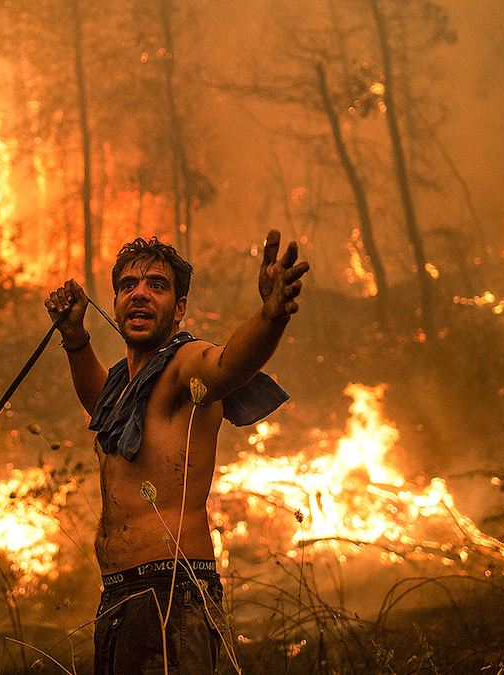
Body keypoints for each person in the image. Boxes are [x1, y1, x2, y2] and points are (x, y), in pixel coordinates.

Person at [45, 230, 309, 674]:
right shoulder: (121, 388)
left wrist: (270, 316)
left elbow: (227, 366)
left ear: (180, 307)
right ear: (114, 303)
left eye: (157, 285)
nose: (140, 294)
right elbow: (99, 406)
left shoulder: (184, 365)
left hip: (171, 593)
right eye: (128, 286)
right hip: (119, 597)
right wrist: (75, 338)